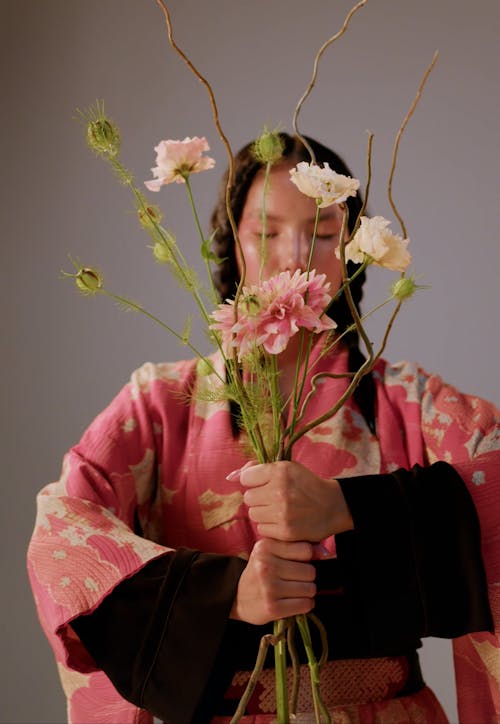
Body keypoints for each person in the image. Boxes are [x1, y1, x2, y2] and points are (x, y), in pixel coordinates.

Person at [27, 134, 499, 724]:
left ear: (354, 250)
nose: (296, 256)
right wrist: (222, 595)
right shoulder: (160, 403)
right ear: (231, 244)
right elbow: (64, 533)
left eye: (324, 232)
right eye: (266, 232)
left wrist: (352, 507)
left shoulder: (402, 400)